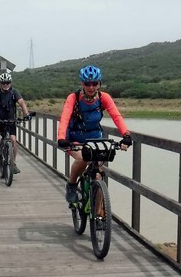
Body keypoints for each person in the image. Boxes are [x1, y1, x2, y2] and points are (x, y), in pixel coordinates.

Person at [56, 65, 132, 203]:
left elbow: (116, 115)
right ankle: (72, 185)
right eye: (87, 84)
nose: (91, 87)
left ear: (99, 83)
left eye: (94, 83)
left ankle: (99, 220)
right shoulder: (73, 98)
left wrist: (126, 135)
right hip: (75, 138)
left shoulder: (104, 97)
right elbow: (65, 117)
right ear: (82, 84)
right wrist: (61, 137)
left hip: (95, 139)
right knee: (82, 158)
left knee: (98, 176)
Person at [0, 72, 30, 174]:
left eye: (7, 82)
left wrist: (26, 114)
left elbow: (22, 102)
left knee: (13, 141)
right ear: (0, 83)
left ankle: (13, 164)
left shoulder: (14, 92)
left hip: (11, 119)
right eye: (3, 82)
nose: (5, 84)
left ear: (10, 83)